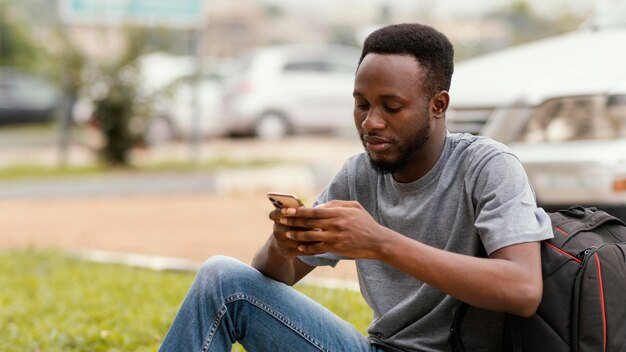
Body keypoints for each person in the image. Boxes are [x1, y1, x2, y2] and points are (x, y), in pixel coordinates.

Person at [159, 23, 553, 352]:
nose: (371, 122)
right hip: (377, 348)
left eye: (391, 107)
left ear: (438, 105)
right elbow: (276, 279)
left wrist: (380, 243)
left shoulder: (488, 166)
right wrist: (282, 244)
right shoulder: (358, 174)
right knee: (222, 278)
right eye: (362, 104)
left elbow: (522, 288)